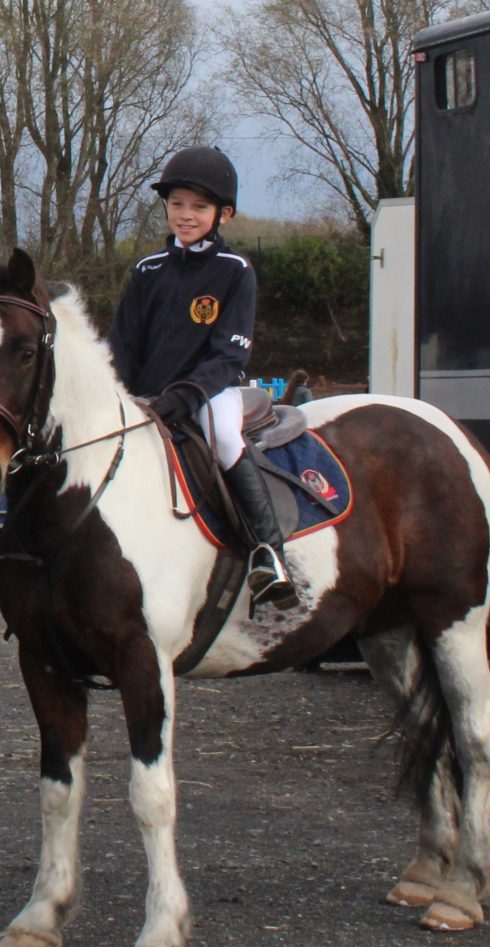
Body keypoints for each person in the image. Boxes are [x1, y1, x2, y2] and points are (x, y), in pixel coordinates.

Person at [106, 145, 295, 610]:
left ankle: (267, 552)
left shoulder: (235, 271)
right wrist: (117, 393)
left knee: (223, 438)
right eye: (177, 204)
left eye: (199, 206)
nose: (186, 215)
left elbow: (229, 354)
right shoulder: (147, 270)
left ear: (223, 214)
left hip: (212, 393)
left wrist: (186, 395)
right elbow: (123, 343)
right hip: (147, 396)